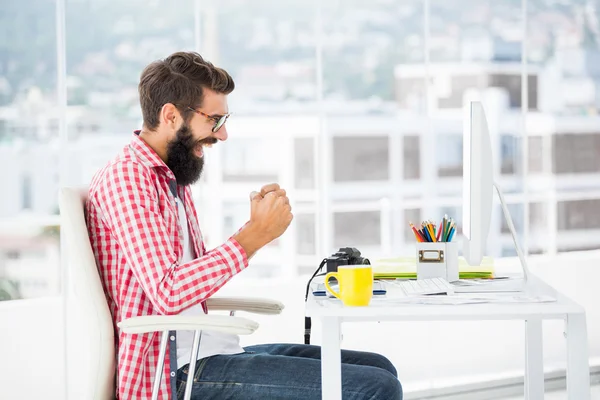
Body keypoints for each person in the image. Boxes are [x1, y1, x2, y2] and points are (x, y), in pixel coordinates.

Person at [86, 50, 402, 400]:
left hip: (211, 354)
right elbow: (168, 292)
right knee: (377, 388)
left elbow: (187, 280)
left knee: (379, 367)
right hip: (173, 374)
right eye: (215, 120)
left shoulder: (168, 179)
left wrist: (253, 230)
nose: (222, 135)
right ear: (171, 116)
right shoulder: (128, 178)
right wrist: (253, 239)